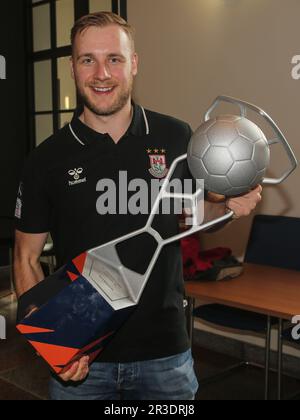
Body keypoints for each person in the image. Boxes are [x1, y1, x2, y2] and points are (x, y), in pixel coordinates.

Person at [14, 12, 262, 400]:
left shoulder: (175, 136)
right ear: (73, 68)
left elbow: (192, 218)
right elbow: (25, 259)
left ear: (134, 64)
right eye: (87, 59)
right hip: (82, 358)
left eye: (114, 58)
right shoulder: (46, 160)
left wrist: (230, 207)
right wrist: (52, 344)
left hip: (165, 355)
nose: (101, 73)